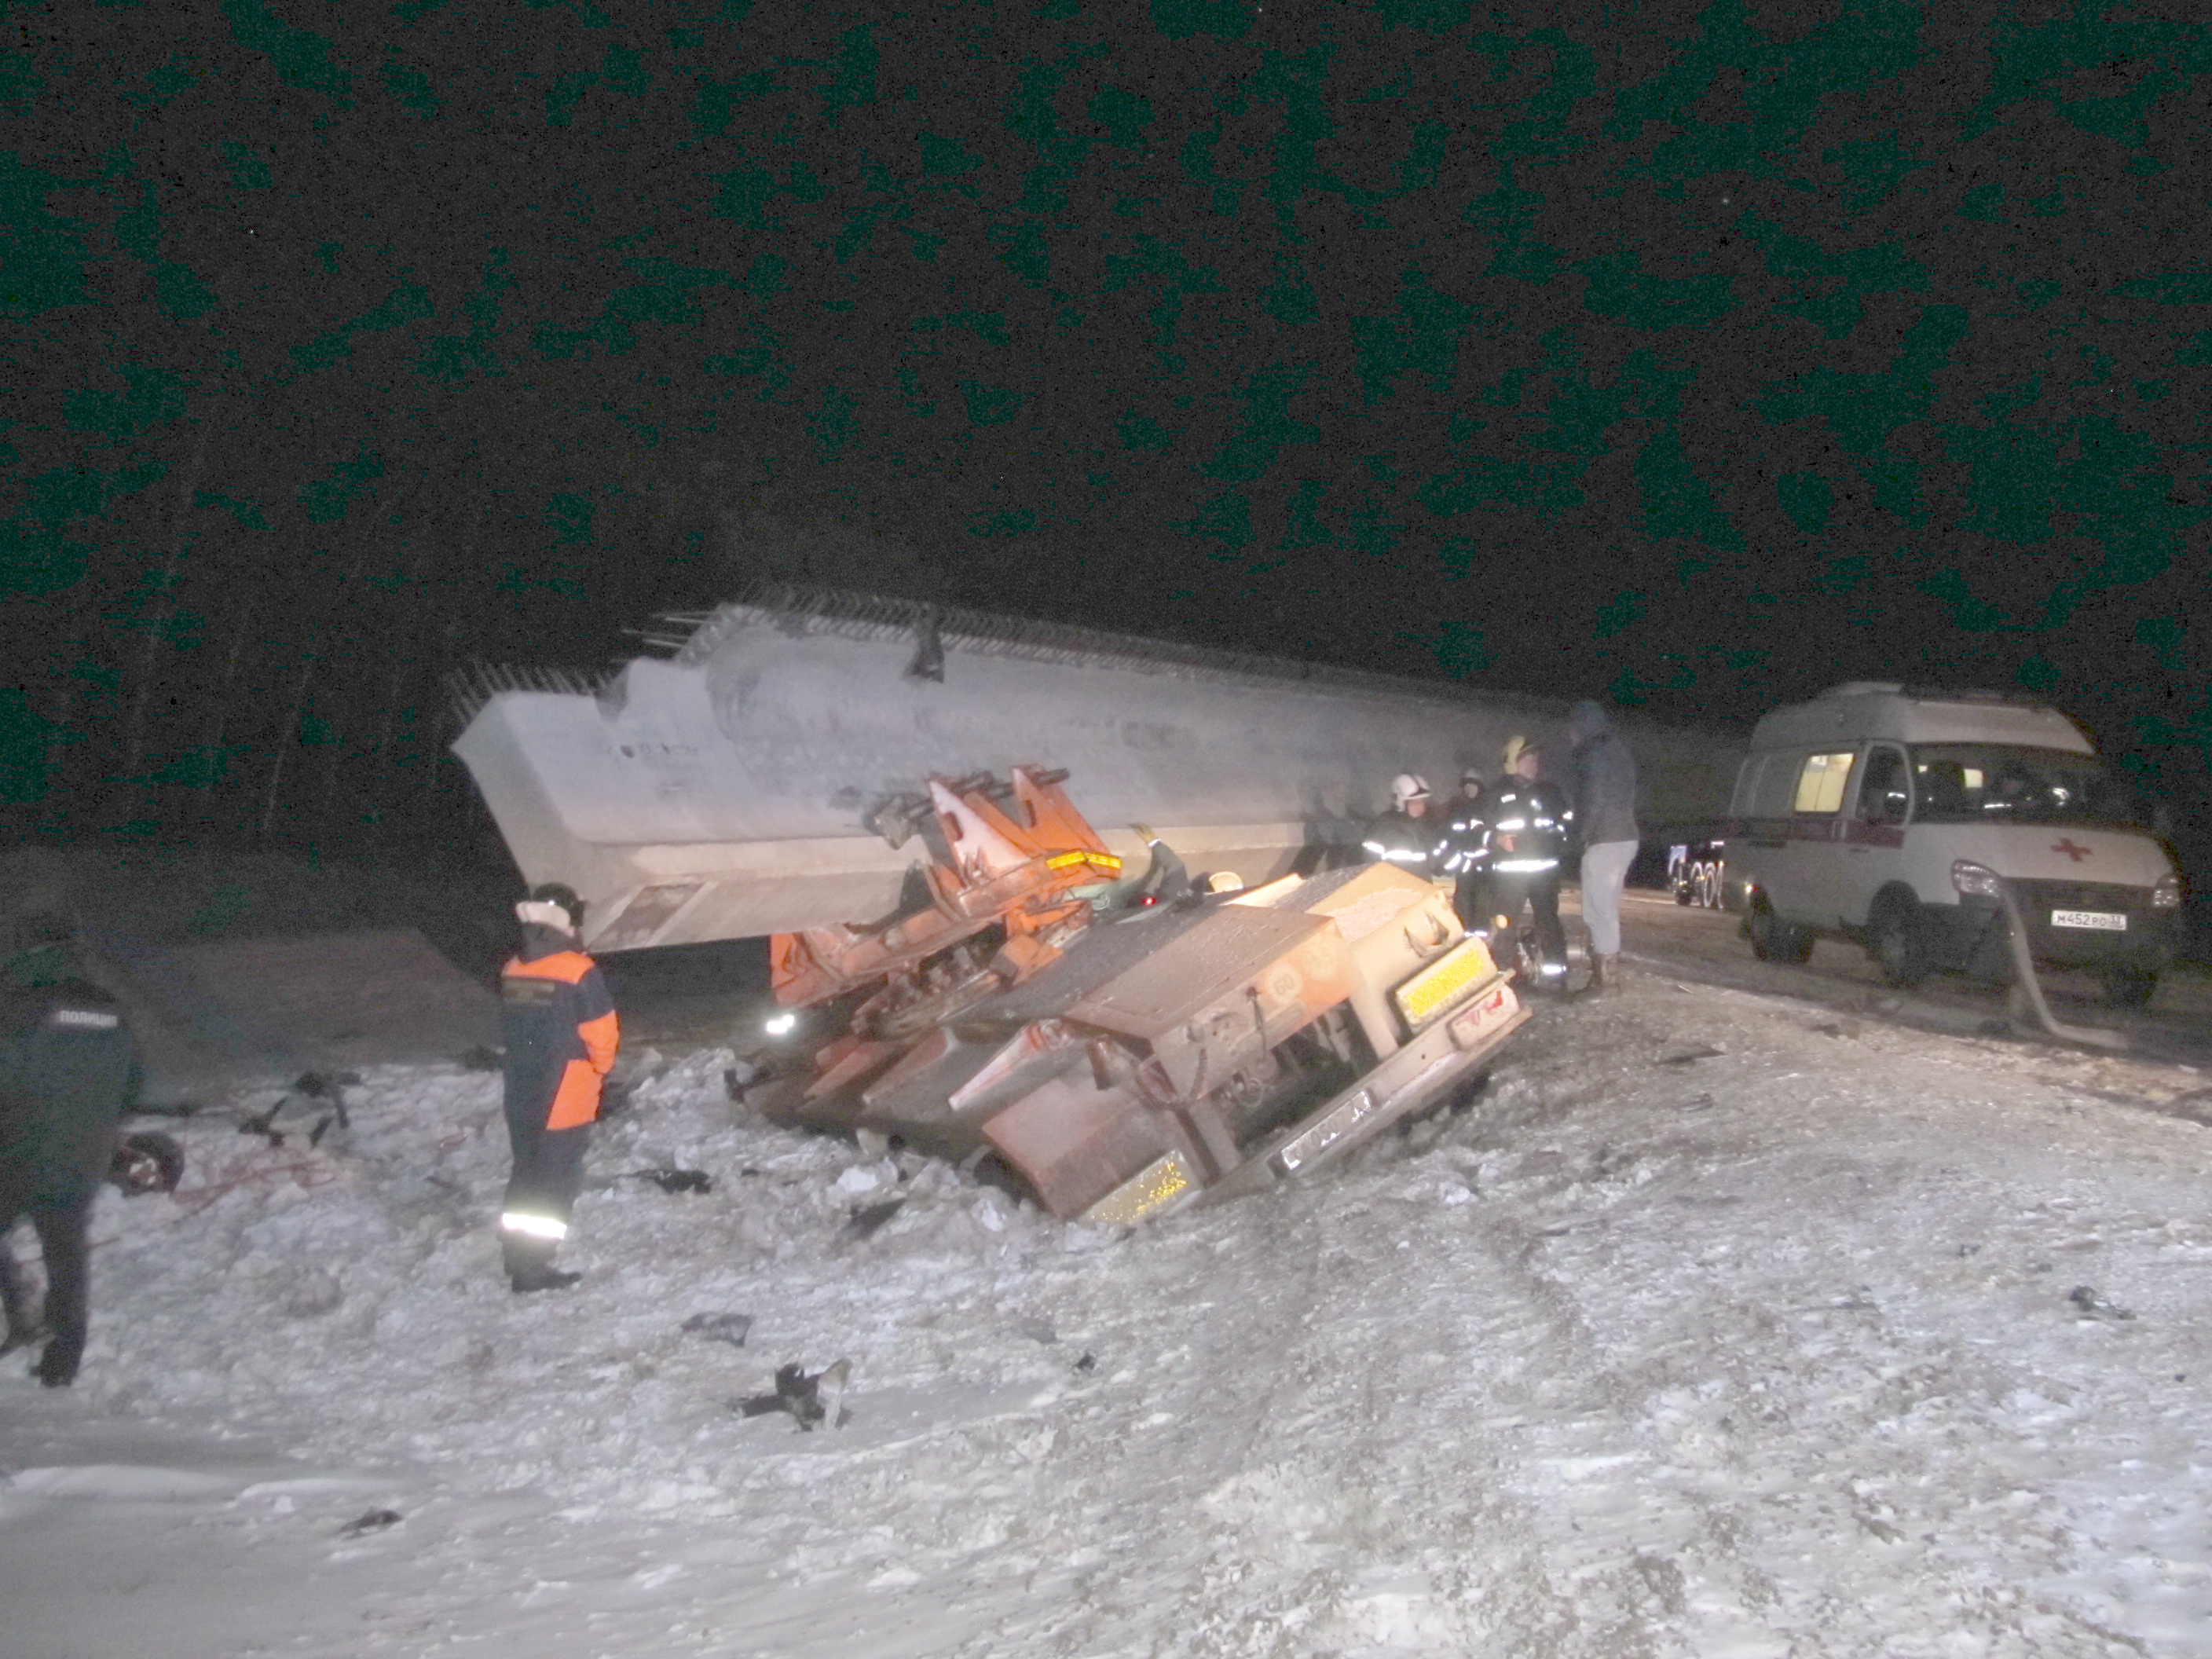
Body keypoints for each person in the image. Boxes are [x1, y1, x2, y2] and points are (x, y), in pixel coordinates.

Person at [0, 912, 141, 1386]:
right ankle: (62, 1366)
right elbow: (131, 1087)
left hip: (18, 1157)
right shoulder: (108, 1010)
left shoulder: (17, 1011)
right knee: (66, 1257)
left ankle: (17, 1305)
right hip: (82, 1159)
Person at [496, 884, 619, 1293]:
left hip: (522, 1088)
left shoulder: (514, 967)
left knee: (527, 1170)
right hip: (565, 1094)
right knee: (554, 1180)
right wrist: (601, 1070)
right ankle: (533, 1268)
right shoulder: (578, 970)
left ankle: (516, 1256)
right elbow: (602, 1034)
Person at [1564, 699, 1640, 994]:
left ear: (1582, 727)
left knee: (1598, 910)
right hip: (1625, 837)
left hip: (1605, 840)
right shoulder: (1617, 751)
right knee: (1605, 908)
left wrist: (1580, 835)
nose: (1570, 737)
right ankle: (1605, 977)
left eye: (1572, 730)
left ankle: (1605, 982)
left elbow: (1594, 800)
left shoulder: (1593, 755)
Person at [1486, 737, 1573, 990]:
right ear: (1512, 762)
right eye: (1527, 759)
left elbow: (1567, 822)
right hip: (1510, 875)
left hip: (1544, 873)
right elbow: (1479, 828)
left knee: (1549, 923)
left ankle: (1556, 978)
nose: (1534, 764)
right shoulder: (1497, 793)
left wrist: (1559, 840)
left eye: (1536, 759)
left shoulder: (1550, 792)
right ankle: (1502, 978)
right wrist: (1495, 840)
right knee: (1505, 924)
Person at [1437, 769, 1492, 932]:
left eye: (1473, 786)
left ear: (1480, 787)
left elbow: (1489, 842)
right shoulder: (1457, 811)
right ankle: (1464, 939)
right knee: (1463, 904)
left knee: (1482, 906)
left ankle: (1480, 940)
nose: (1469, 790)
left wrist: (1477, 859)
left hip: (1483, 871)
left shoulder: (1487, 811)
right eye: (1466, 786)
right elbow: (1449, 838)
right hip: (1464, 870)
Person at [1363, 774, 1442, 873]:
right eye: (1413, 802)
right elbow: (1371, 864)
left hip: (1422, 886)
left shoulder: (1429, 826)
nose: (1419, 807)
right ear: (1400, 801)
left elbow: (1436, 862)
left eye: (1422, 802)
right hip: (1394, 887)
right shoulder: (1384, 826)